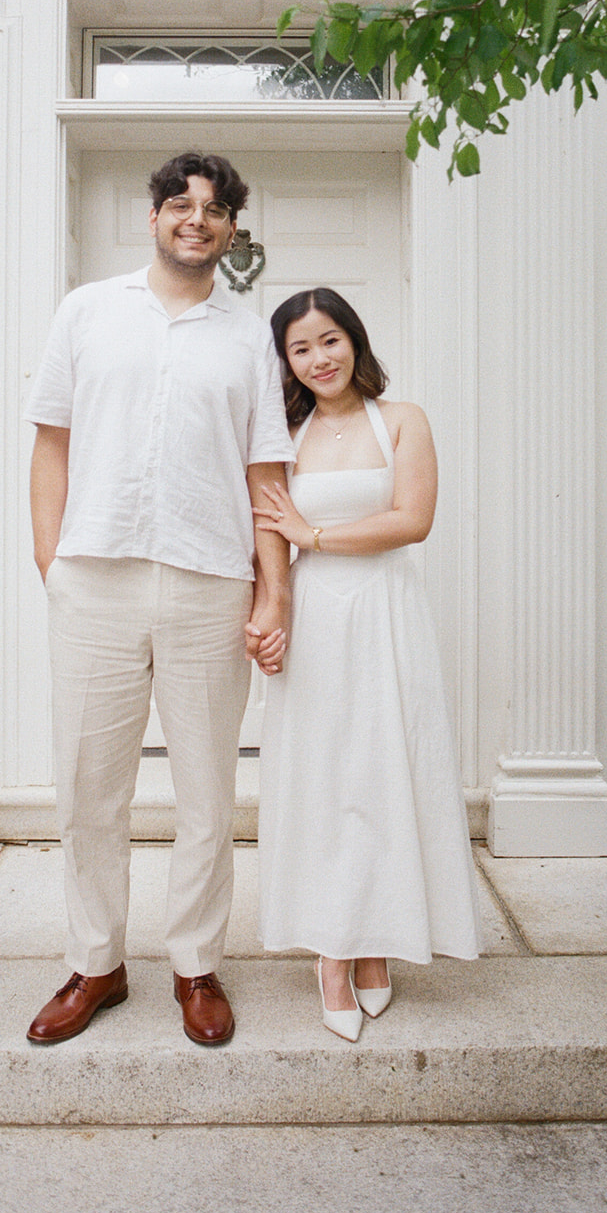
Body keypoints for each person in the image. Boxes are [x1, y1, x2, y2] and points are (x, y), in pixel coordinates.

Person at [24, 153, 292, 1048]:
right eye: (180, 204)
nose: (195, 219)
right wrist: (51, 562)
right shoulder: (86, 311)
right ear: (153, 217)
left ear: (230, 230)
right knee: (86, 789)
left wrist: (273, 591)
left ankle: (195, 966)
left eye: (213, 209)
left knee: (207, 792)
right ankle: (95, 963)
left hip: (210, 582)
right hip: (93, 578)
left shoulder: (248, 337)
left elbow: (265, 473)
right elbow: (51, 442)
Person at [254, 288, 482, 1041]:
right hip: (317, 618)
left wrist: (314, 534)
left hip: (387, 613)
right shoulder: (282, 434)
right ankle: (332, 953)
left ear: (353, 340)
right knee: (326, 779)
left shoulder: (403, 420)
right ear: (285, 361)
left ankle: (378, 939)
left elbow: (411, 521)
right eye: (300, 348)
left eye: (329, 340)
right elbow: (268, 534)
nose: (319, 358)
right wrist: (272, 610)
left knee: (386, 772)